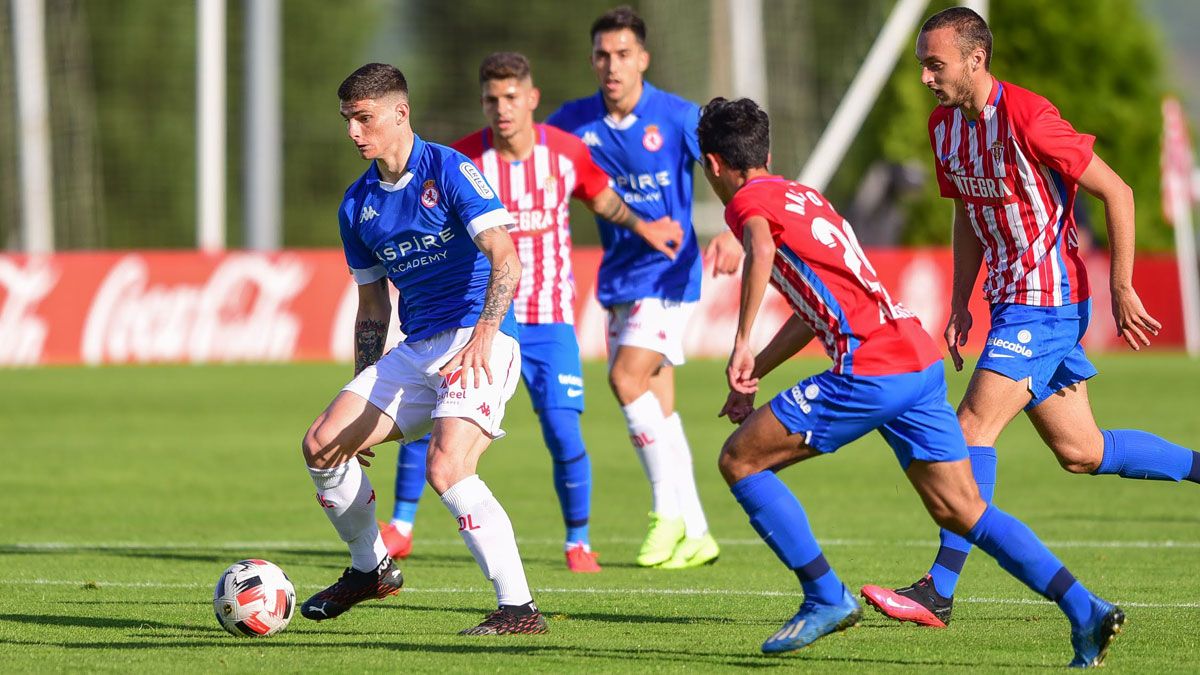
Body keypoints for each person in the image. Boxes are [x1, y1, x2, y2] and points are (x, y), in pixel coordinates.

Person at [699, 96, 1122, 666]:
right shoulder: (803, 197)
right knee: (964, 509)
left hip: (871, 367)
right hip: (916, 359)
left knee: (739, 461)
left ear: (714, 165)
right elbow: (809, 311)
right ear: (767, 151)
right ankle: (1086, 610)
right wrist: (758, 368)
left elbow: (759, 245)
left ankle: (825, 596)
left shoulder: (749, 201)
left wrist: (742, 340)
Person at [861, 6, 1200, 629]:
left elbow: (1117, 191)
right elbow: (966, 212)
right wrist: (963, 299)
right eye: (921, 66)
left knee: (968, 430)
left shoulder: (1028, 116)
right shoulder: (944, 128)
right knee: (1083, 451)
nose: (926, 79)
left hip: (1048, 301)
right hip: (1010, 304)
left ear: (975, 59)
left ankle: (939, 589)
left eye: (935, 66)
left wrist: (1121, 284)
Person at [378, 51, 684, 573]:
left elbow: (601, 198)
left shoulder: (565, 153)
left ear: (532, 99)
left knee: (563, 430)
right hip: (475, 319)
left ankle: (578, 541)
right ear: (482, 103)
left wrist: (646, 227)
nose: (502, 109)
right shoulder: (462, 159)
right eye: (492, 99)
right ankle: (401, 526)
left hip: (548, 319)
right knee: (428, 422)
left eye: (511, 98)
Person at [299, 62, 546, 636]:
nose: (354, 132)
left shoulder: (451, 169)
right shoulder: (356, 204)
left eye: (364, 118)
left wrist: (485, 333)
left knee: (447, 466)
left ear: (399, 112)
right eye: (347, 121)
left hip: (477, 340)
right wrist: (361, 391)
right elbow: (372, 308)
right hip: (417, 349)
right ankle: (371, 570)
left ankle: (519, 610)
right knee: (322, 446)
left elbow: (505, 258)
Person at [545, 5, 743, 569]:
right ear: (592, 61)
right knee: (659, 407)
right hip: (620, 278)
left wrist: (735, 230)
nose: (613, 66)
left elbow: (741, 164)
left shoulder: (677, 117)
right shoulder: (573, 122)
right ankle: (699, 531)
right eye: (604, 56)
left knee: (625, 378)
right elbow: (527, 153)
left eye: (624, 55)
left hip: (670, 274)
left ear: (643, 60)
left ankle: (667, 512)